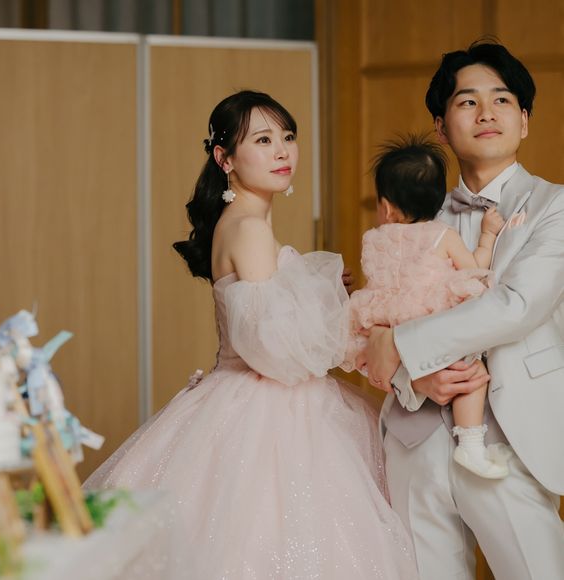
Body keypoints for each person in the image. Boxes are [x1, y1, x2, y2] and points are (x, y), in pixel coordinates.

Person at [84, 90, 418, 579]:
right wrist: (343, 315)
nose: (283, 151)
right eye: (263, 140)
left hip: (238, 399)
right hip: (272, 410)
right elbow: (272, 351)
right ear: (225, 159)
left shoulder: (241, 222)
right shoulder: (249, 229)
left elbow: (264, 315)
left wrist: (319, 291)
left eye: (288, 137)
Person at [363, 41, 564, 580]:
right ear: (440, 126)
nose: (486, 113)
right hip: (415, 435)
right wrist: (411, 375)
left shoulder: (555, 205)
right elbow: (384, 309)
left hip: (509, 438)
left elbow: (516, 306)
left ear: (524, 121)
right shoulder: (414, 212)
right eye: (467, 101)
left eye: (502, 100)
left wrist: (402, 346)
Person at [342, 134, 509, 479]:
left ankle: (408, 383)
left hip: (390, 325)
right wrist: (488, 235)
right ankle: (470, 443)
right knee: (472, 374)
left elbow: (379, 282)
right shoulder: (442, 235)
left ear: (386, 207)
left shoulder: (375, 238)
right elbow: (474, 268)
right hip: (431, 322)